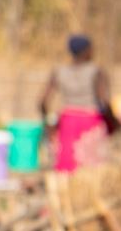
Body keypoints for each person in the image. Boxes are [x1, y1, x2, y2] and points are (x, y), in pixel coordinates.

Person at [39, 34, 115, 172]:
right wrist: (114, 121)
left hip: (67, 123)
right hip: (90, 123)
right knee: (91, 169)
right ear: (86, 50)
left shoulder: (59, 71)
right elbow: (104, 100)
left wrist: (48, 122)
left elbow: (42, 101)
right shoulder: (96, 72)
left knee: (67, 167)